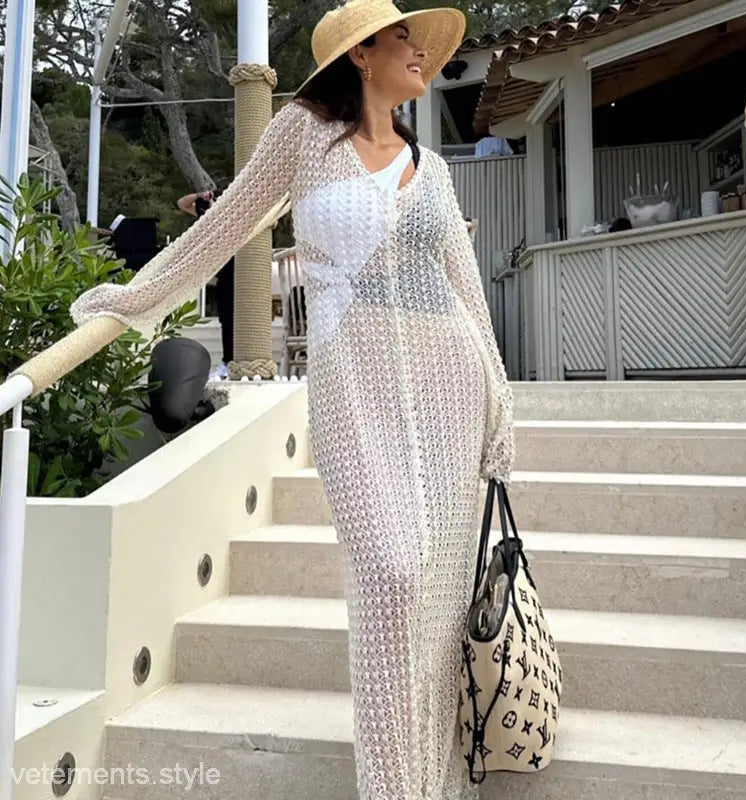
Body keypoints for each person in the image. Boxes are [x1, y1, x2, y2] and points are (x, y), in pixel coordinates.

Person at [70, 2, 515, 797]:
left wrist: (499, 409)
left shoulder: (435, 171)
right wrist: (134, 298)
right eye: (403, 40)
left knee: (439, 599)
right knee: (391, 577)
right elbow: (226, 224)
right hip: (354, 386)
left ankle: (430, 781)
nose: (420, 53)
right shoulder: (303, 136)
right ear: (359, 56)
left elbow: (467, 294)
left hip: (451, 389)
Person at [177, 189, 234, 379]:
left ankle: (235, 360)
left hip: (240, 265)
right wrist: (200, 195)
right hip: (222, 270)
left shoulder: (234, 212)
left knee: (237, 318)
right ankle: (228, 361)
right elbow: (182, 203)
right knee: (226, 318)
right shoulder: (206, 212)